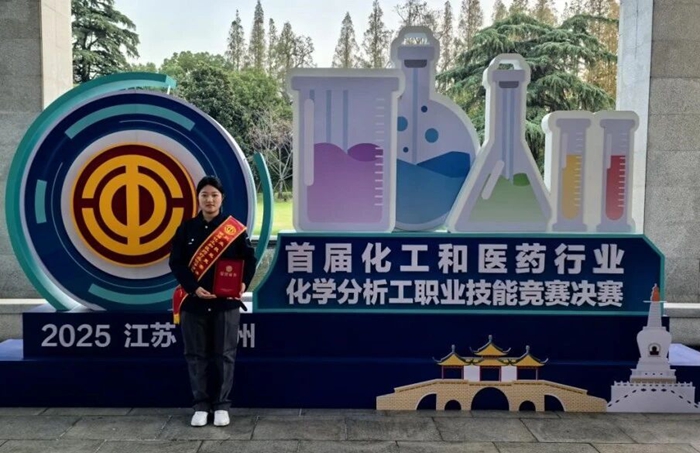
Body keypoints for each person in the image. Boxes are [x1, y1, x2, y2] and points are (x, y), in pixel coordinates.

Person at [169, 175, 257, 427]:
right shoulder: (186, 229)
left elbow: (248, 260)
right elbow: (176, 263)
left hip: (225, 303)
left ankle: (221, 406)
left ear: (222, 198)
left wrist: (243, 283)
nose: (210, 200)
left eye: (214, 195)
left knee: (224, 355)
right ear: (198, 198)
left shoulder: (234, 230)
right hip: (193, 302)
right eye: (205, 195)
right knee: (196, 355)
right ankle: (200, 406)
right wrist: (194, 288)